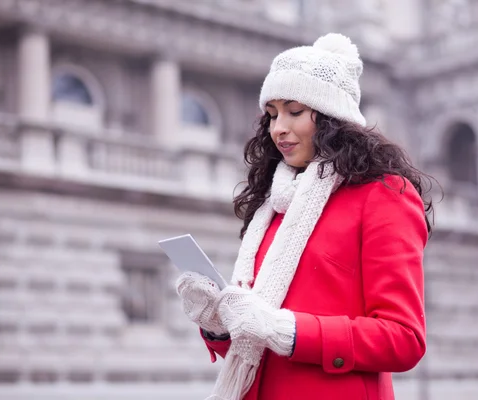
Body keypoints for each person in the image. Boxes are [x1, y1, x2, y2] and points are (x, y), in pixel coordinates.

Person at [176, 32, 434, 400]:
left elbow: (403, 339)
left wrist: (287, 331)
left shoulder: (384, 195)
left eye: (295, 111)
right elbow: (254, 339)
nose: (279, 127)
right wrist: (218, 323)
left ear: (332, 117)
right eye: (271, 114)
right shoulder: (273, 206)